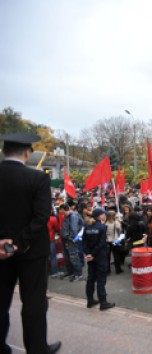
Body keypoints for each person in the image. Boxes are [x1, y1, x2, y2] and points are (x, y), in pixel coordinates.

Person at [0, 133, 62, 354]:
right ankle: (37, 349)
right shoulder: (37, 179)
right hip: (31, 252)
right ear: (27, 153)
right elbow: (41, 217)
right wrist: (18, 243)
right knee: (34, 304)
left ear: (3, 152)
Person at [83, 208, 115, 311]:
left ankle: (90, 301)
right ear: (100, 216)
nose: (104, 216)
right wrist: (92, 254)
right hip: (100, 257)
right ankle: (103, 302)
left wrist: (88, 254)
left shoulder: (87, 227)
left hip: (91, 257)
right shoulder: (102, 227)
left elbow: (84, 242)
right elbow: (101, 244)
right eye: (103, 214)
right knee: (101, 280)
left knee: (91, 278)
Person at [48, 208, 61, 278]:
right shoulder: (52, 219)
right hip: (50, 239)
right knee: (53, 257)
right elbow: (57, 228)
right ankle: (55, 272)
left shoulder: (39, 218)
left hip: (41, 241)